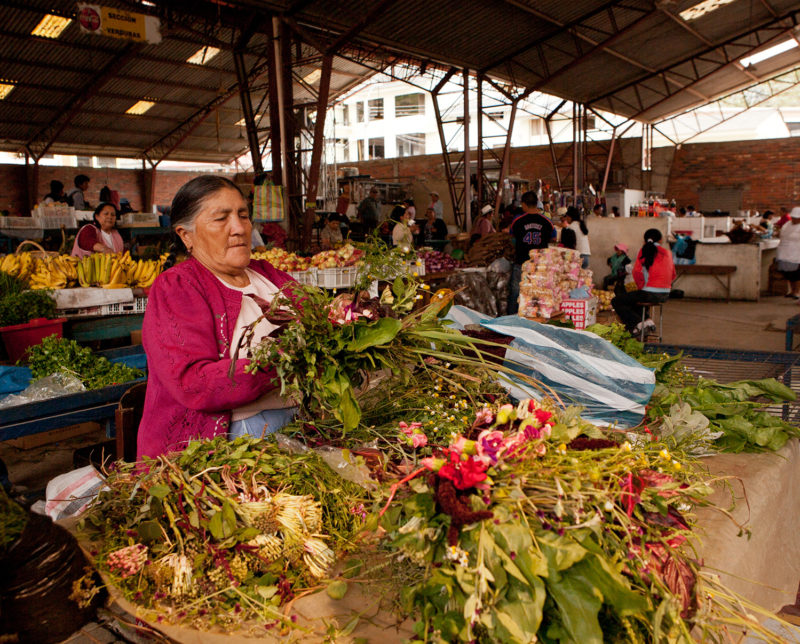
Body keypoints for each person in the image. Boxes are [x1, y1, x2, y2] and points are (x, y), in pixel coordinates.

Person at [138, 176, 302, 458]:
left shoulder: (268, 274)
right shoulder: (178, 287)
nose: (239, 228)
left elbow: (322, 325)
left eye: (243, 215)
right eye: (220, 219)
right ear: (186, 235)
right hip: (227, 447)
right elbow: (193, 383)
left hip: (299, 427)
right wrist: (283, 362)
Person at [611, 228, 676, 336]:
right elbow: (673, 274)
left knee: (617, 301)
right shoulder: (668, 253)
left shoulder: (644, 250)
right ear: (660, 240)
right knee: (634, 299)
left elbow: (637, 272)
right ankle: (647, 320)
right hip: (665, 294)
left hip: (649, 292)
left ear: (645, 240)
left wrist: (641, 287)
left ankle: (638, 323)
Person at [506, 191, 555, 315]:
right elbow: (554, 238)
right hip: (540, 265)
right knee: (538, 293)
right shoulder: (547, 221)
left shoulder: (517, 221)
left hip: (521, 263)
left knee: (516, 293)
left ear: (524, 204)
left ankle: (511, 320)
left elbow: (511, 238)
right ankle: (537, 318)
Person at [775, 207, 800, 299]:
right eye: (793, 217)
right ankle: (792, 291)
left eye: (796, 218)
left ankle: (797, 292)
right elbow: (782, 234)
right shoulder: (787, 224)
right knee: (788, 273)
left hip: (797, 253)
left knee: (797, 274)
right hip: (785, 252)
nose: (794, 219)